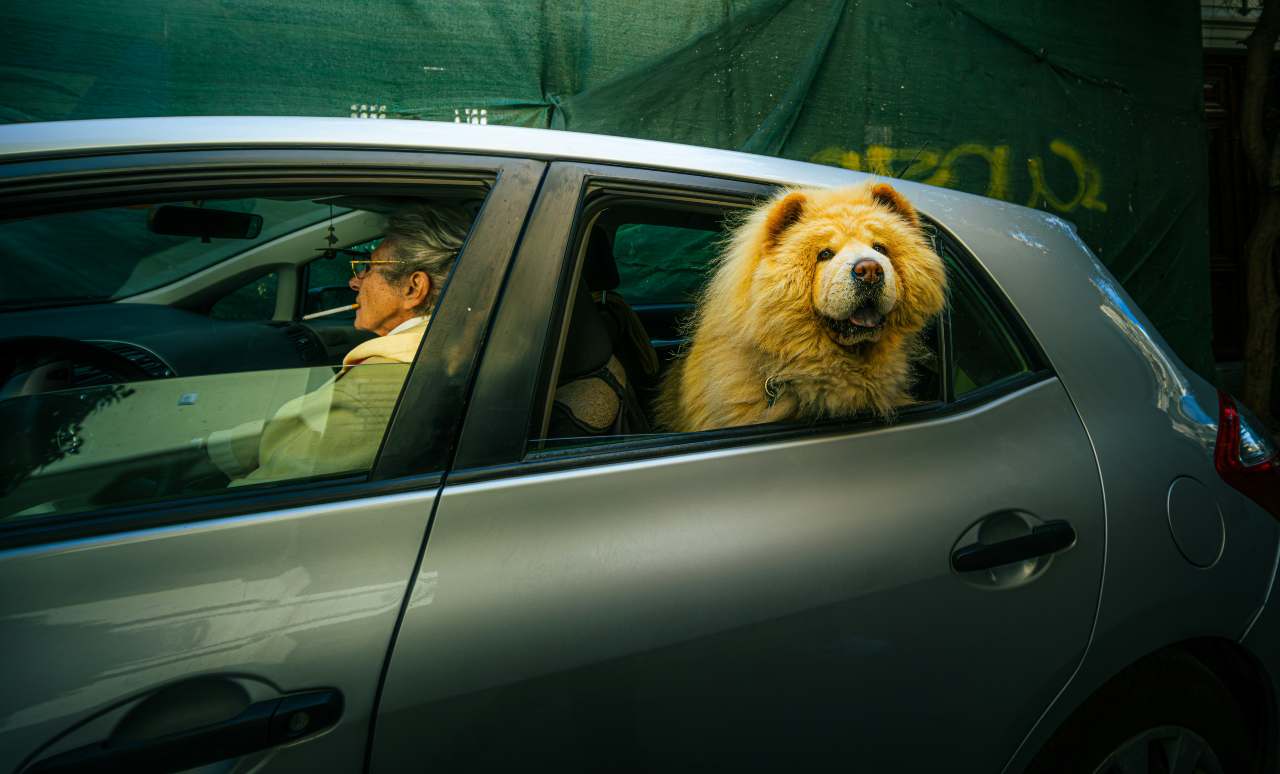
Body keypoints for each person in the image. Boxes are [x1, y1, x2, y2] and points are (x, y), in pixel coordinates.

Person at [205, 203, 472, 485]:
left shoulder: (376, 390)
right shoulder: (445, 354)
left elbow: (263, 496)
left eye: (368, 268)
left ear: (413, 288)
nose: (354, 282)